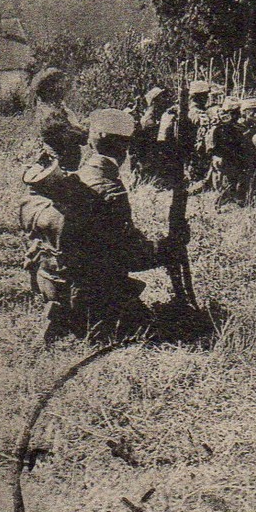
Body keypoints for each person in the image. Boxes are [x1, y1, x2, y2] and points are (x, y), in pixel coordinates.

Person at [21, 108, 173, 343]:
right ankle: (80, 321)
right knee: (161, 331)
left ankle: (62, 316)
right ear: (125, 148)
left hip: (49, 282)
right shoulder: (109, 190)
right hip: (86, 298)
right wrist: (168, 248)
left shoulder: (71, 179)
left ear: (91, 143)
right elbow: (132, 256)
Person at [206, 98, 256, 206]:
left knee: (237, 183)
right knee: (229, 185)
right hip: (229, 159)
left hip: (237, 159)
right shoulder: (229, 127)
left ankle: (237, 202)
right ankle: (219, 206)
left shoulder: (244, 126)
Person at [29, 66, 87, 170]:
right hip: (59, 168)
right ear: (50, 90)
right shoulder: (50, 115)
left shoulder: (55, 110)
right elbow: (79, 137)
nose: (64, 88)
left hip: (64, 164)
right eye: (60, 84)